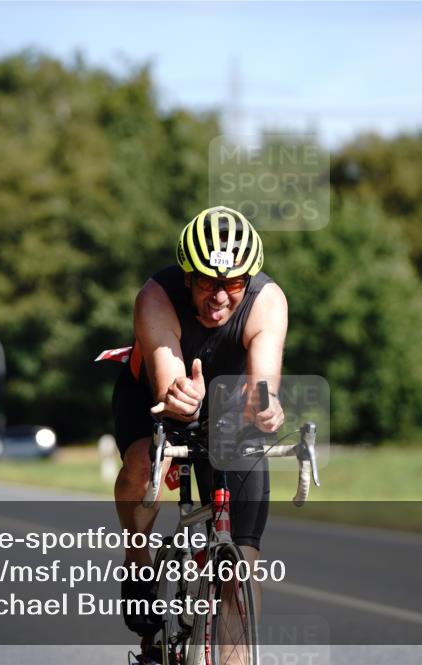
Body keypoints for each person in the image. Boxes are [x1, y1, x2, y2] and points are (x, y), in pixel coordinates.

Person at [111, 206, 287, 663]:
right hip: (152, 394)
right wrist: (181, 395)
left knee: (242, 565)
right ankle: (138, 559)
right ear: (187, 278)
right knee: (142, 464)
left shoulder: (267, 301)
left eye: (232, 284)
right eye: (207, 282)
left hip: (228, 408)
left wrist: (265, 407)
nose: (220, 297)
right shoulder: (156, 296)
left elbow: (264, 379)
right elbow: (168, 374)